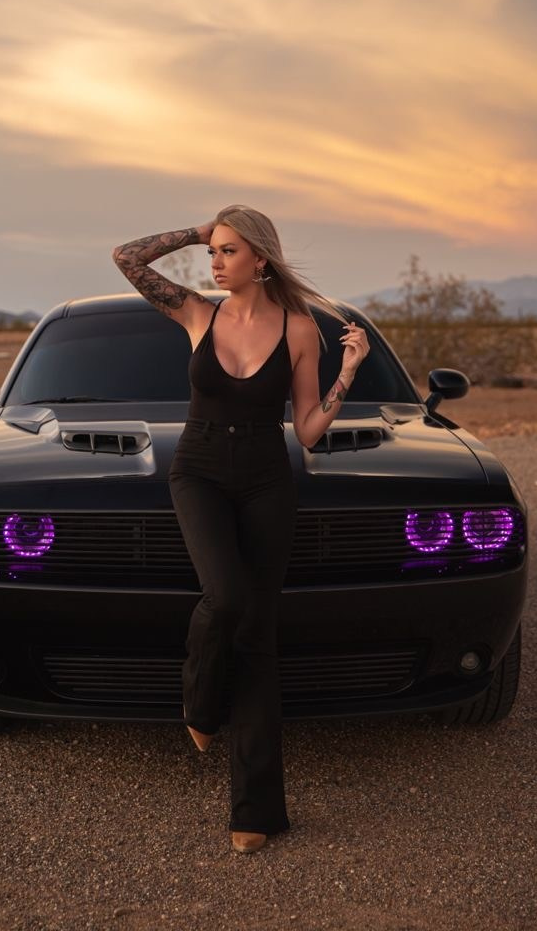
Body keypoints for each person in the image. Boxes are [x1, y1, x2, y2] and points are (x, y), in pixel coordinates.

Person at [111, 204, 369, 854]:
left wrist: (348, 372)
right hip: (197, 471)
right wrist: (198, 230)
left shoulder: (301, 329)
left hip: (265, 482)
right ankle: (200, 706)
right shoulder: (198, 312)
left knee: (256, 633)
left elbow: (308, 429)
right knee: (225, 598)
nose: (214, 263)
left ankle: (256, 812)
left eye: (228, 252)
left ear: (260, 258)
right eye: (213, 251)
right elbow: (127, 257)